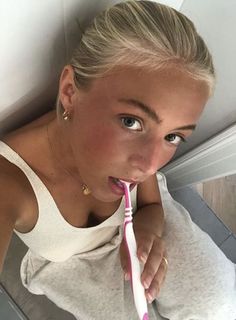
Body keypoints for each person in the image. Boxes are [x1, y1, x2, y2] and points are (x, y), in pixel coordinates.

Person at [0, 1, 235, 319]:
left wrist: (148, 230)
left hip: (141, 230)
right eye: (131, 122)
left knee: (221, 303)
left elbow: (151, 205)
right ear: (70, 92)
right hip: (73, 264)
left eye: (173, 137)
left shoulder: (133, 159)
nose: (151, 166)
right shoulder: (9, 181)